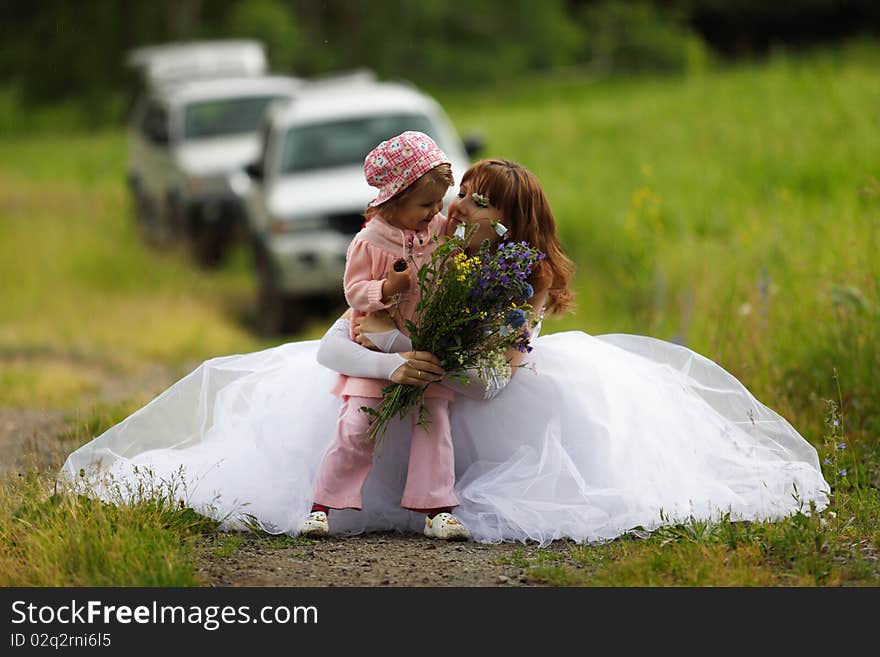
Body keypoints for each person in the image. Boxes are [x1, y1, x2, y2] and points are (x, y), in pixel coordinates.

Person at [61, 158, 830, 547]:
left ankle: (439, 502)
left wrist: (436, 364)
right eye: (460, 190)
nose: (460, 204)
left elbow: (494, 381)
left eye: (480, 199)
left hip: (485, 395)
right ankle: (346, 496)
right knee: (353, 425)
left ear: (513, 221)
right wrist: (397, 361)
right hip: (402, 379)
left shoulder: (516, 282)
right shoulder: (415, 249)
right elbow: (336, 343)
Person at [302, 131, 468, 541]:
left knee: (433, 425)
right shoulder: (369, 241)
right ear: (394, 200)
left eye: (438, 203)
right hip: (372, 345)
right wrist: (387, 291)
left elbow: (464, 247)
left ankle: (437, 509)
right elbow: (354, 292)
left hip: (423, 349)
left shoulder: (439, 229)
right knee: (356, 426)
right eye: (425, 205)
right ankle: (322, 505)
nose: (435, 213)